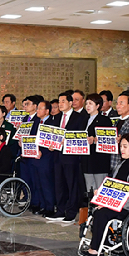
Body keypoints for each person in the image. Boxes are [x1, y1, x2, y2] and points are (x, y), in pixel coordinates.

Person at [82, 133, 129, 256]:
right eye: (121, 146)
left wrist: (115, 204)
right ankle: (101, 243)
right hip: (115, 203)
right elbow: (112, 186)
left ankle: (95, 249)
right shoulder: (120, 164)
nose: (121, 149)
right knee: (96, 209)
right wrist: (101, 193)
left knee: (102, 214)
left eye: (125, 146)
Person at [45, 92, 86, 223]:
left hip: (72, 157)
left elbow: (80, 137)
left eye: (63, 101)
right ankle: (60, 210)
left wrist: (66, 141)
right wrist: (50, 144)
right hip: (57, 156)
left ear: (70, 103)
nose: (60, 104)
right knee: (59, 184)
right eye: (59, 101)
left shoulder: (79, 118)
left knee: (72, 185)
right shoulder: (56, 118)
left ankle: (71, 212)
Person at [30, 100, 58, 217]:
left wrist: (43, 151)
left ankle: (50, 207)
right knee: (37, 183)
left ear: (47, 111)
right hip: (35, 156)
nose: (37, 111)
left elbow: (52, 141)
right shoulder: (36, 121)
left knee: (46, 183)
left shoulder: (53, 123)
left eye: (40, 109)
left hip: (46, 157)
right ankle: (42, 205)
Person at [82, 93, 112, 192]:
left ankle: (100, 208)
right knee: (89, 189)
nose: (87, 106)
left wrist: (94, 140)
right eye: (86, 103)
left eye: (90, 103)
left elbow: (109, 139)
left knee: (99, 188)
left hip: (99, 161)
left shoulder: (105, 120)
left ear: (98, 105)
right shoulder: (83, 120)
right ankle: (91, 207)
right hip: (86, 160)